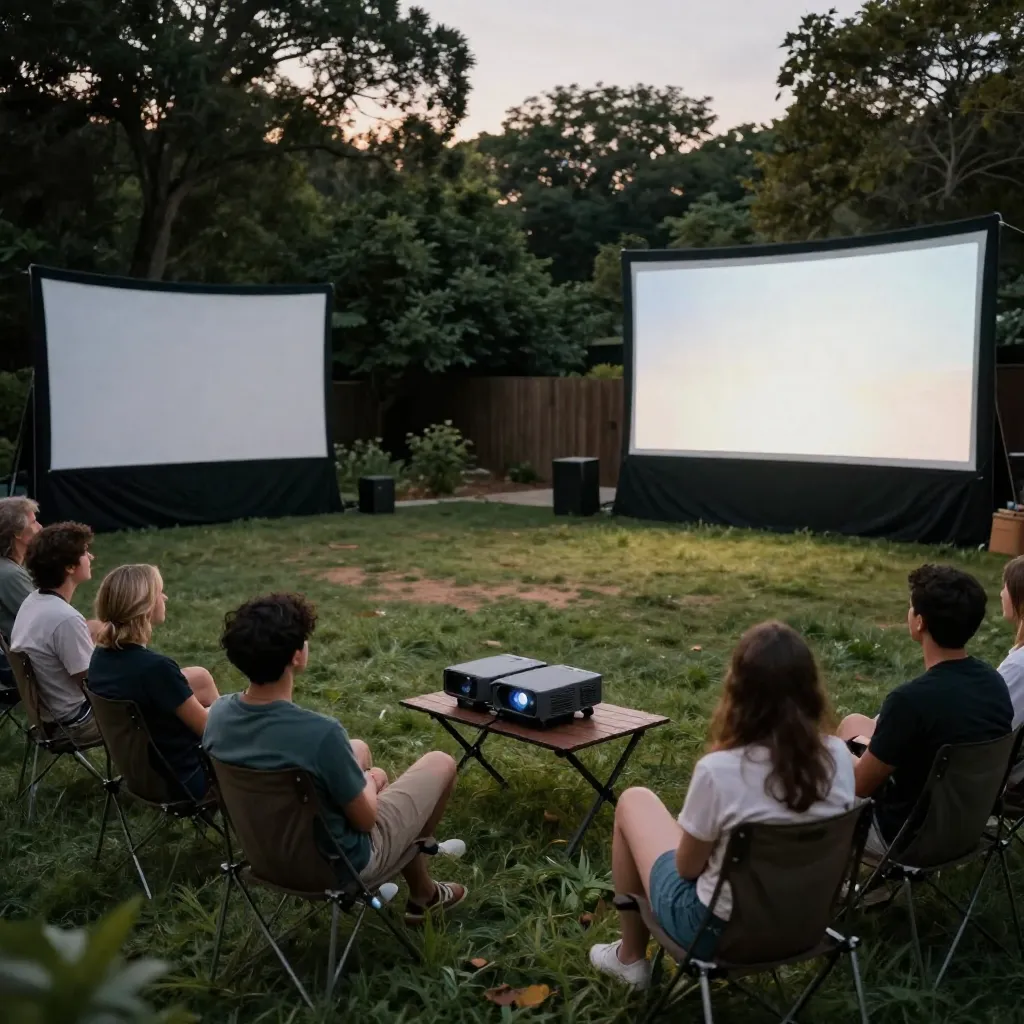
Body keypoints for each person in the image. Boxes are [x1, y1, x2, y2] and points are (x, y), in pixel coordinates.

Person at [589, 621, 856, 990]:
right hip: (807, 923)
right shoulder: (840, 757)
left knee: (634, 801)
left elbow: (686, 869)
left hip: (722, 935)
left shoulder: (721, 770)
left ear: (738, 690)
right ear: (811, 690)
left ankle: (630, 959)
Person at [204, 592, 468, 924]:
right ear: (297, 656)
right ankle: (423, 894)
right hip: (337, 867)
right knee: (439, 762)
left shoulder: (218, 716)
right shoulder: (320, 734)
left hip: (265, 856)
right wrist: (371, 783)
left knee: (358, 748)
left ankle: (420, 888)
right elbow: (365, 821)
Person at [838, 564, 1013, 856]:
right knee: (856, 722)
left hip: (906, 838)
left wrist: (835, 753)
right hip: (966, 829)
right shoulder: (993, 683)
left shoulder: (910, 701)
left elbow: (859, 786)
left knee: (818, 773)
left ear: (920, 622)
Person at [87, 564, 220, 800]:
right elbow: (209, 730)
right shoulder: (155, 669)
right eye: (160, 592)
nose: (165, 597)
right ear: (144, 606)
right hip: (183, 780)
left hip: (143, 776)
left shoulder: (100, 657)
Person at [10, 521, 101, 745]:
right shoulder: (65, 619)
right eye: (85, 552)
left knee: (100, 628)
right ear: (69, 567)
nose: (91, 558)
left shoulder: (33, 601)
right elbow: (95, 686)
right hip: (75, 723)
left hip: (49, 717)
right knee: (188, 686)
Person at [0, 496, 41, 639]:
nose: (40, 527)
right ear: (17, 533)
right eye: (34, 522)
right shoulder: (9, 574)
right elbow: (47, 621)